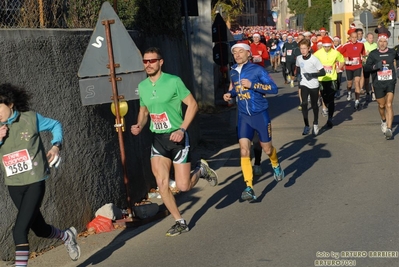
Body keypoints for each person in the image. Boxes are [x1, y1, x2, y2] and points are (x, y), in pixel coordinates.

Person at [131, 47, 218, 236]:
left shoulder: (173, 81)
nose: (148, 65)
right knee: (162, 184)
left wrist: (182, 129)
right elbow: (144, 111)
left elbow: (192, 104)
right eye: (145, 62)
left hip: (177, 137)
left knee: (183, 186)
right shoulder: (143, 86)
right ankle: (180, 221)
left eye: (151, 61)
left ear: (160, 62)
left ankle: (201, 169)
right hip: (159, 140)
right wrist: (139, 125)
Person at [0, 83, 80, 266]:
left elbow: (55, 125)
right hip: (14, 184)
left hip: (35, 181)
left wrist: (55, 146)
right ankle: (66, 236)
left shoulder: (31, 119)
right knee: (39, 229)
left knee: (19, 231)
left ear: (10, 104)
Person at [223, 43, 284, 201]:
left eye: (240, 52)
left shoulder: (257, 70)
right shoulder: (233, 72)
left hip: (260, 114)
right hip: (244, 116)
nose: (237, 55)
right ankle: (249, 186)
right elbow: (236, 89)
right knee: (244, 150)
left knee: (267, 149)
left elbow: (273, 88)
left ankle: (275, 164)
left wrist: (253, 85)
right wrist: (230, 94)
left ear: (249, 54)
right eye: (234, 52)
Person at [364, 31, 399, 140]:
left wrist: (397, 67)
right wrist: (375, 66)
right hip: (378, 83)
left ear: (387, 42)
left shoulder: (393, 52)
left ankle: (389, 129)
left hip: (390, 82)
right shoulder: (373, 54)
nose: (383, 43)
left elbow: (398, 59)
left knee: (389, 105)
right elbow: (366, 68)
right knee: (382, 105)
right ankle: (383, 120)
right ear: (378, 42)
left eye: (385, 41)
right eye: (381, 41)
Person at [295, 39, 326, 135]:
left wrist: (312, 75)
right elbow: (298, 67)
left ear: (309, 48)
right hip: (304, 84)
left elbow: (322, 72)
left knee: (314, 105)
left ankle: (315, 123)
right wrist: (298, 75)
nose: (303, 50)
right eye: (301, 48)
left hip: (313, 85)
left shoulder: (314, 59)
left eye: (304, 48)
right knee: (304, 103)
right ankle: (306, 126)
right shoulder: (299, 58)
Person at [314, 37, 345, 128]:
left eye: (328, 46)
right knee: (324, 97)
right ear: (322, 46)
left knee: (331, 99)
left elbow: (342, 60)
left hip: (332, 78)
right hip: (322, 79)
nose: (327, 48)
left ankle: (330, 118)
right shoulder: (318, 53)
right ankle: (325, 105)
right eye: (325, 47)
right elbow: (312, 62)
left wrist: (339, 68)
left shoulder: (335, 52)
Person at [339, 28, 366, 109]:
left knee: (357, 82)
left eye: (355, 37)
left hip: (358, 66)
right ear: (350, 37)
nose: (354, 39)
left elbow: (363, 54)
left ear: (357, 37)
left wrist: (364, 58)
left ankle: (357, 101)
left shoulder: (361, 44)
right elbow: (338, 54)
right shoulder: (346, 45)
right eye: (352, 37)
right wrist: (345, 58)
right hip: (349, 67)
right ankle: (349, 91)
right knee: (349, 83)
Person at [362, 33, 378, 101]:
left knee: (374, 79)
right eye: (370, 38)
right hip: (366, 64)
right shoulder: (363, 45)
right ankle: (367, 93)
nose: (371, 39)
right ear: (367, 38)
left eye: (372, 38)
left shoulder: (375, 45)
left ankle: (373, 92)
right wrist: (364, 55)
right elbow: (360, 54)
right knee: (366, 79)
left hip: (373, 64)